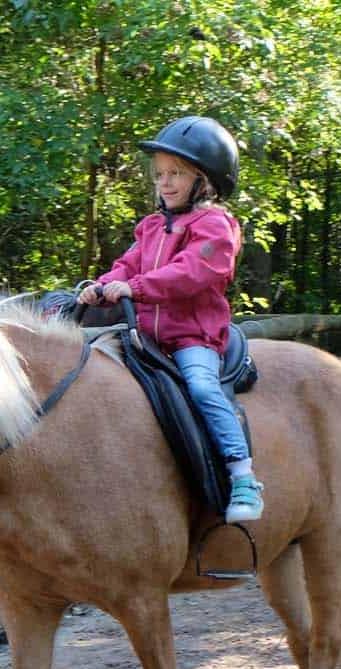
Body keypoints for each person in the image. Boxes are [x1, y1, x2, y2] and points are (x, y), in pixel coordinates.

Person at [78, 115, 263, 524]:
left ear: (205, 181)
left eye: (176, 173)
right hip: (145, 336)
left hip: (192, 338)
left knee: (201, 388)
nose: (164, 182)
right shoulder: (150, 227)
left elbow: (194, 273)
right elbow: (125, 266)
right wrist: (102, 285)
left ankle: (242, 473)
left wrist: (137, 289)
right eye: (160, 174)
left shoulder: (216, 226)